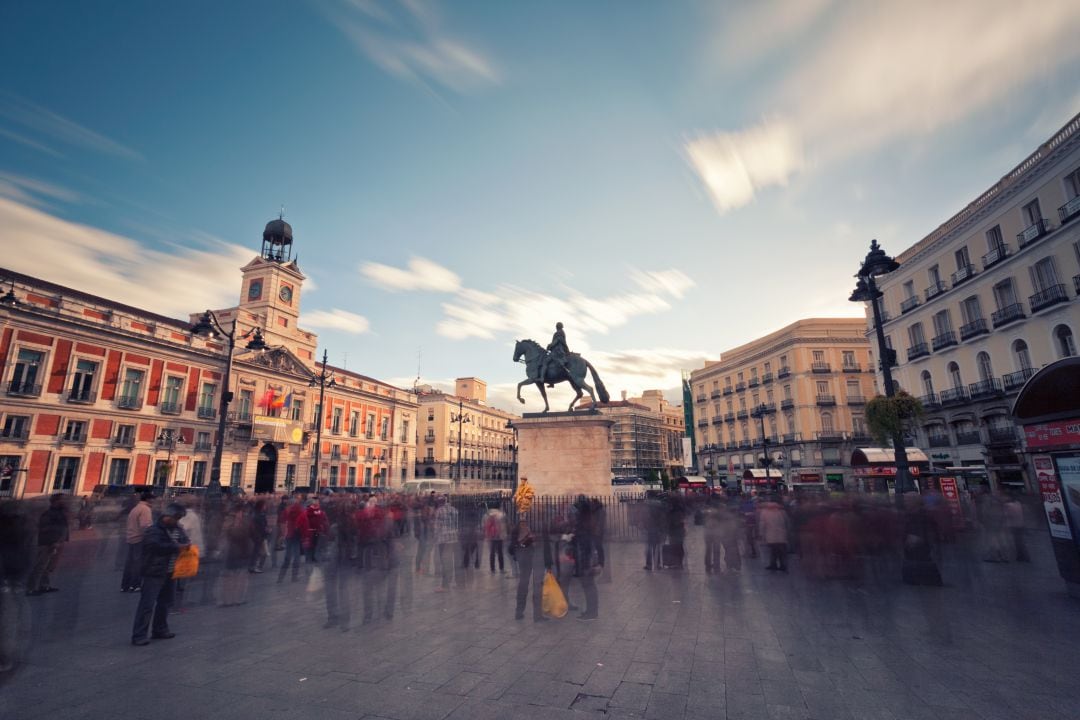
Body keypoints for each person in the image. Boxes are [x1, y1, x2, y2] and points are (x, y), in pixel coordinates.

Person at [131, 503, 190, 646]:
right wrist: (176, 547)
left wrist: (186, 544)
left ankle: (160, 629)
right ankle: (139, 634)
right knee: (147, 604)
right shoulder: (154, 530)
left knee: (165, 602)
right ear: (167, 516)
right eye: (176, 518)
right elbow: (154, 546)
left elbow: (184, 540)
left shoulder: (177, 529)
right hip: (154, 571)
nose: (178, 521)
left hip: (171, 571)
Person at [27, 494, 69, 596]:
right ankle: (31, 588)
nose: (65, 502)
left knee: (48, 566)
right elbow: (46, 529)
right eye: (62, 500)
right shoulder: (49, 514)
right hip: (48, 543)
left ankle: (44, 585)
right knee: (40, 566)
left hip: (56, 543)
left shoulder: (60, 513)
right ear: (56, 501)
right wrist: (53, 542)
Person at [508, 517, 547, 622]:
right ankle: (536, 615)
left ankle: (520, 612)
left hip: (525, 555)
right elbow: (523, 541)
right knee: (535, 584)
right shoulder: (526, 523)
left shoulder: (522, 522)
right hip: (528, 554)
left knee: (524, 583)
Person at [121, 490, 154, 592]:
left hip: (131, 538)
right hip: (139, 539)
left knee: (129, 563)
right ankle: (136, 585)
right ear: (148, 499)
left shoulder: (136, 508)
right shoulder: (145, 509)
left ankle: (125, 585)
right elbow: (146, 526)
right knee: (138, 563)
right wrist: (151, 538)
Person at [277, 496, 309, 582]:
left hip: (289, 536)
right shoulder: (301, 511)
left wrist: (282, 535)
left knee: (287, 557)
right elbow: (305, 524)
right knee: (297, 557)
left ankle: (280, 578)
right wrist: (305, 536)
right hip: (297, 535)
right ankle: (294, 577)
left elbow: (282, 524)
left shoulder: (285, 512)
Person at [433, 496, 458, 592]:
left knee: (444, 561)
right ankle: (450, 580)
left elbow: (437, 527)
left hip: (443, 539)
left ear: (439, 503)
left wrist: (435, 537)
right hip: (453, 538)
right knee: (450, 560)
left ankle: (445, 585)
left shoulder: (439, 511)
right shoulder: (454, 510)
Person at [758, 496, 789, 572]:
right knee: (781, 551)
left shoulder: (764, 511)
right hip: (782, 534)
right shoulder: (781, 511)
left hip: (770, 534)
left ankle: (773, 564)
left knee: (773, 550)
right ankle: (783, 565)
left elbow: (762, 523)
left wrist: (761, 533)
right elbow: (787, 522)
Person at [538, 322, 569, 387]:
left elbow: (556, 341)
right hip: (559, 350)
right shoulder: (562, 332)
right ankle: (551, 382)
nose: (556, 327)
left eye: (556, 326)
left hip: (557, 351)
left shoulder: (558, 333)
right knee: (551, 365)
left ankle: (542, 378)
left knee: (545, 362)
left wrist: (550, 345)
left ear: (557, 327)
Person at [1004, 493, 1030, 562]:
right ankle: (1025, 556)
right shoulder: (1019, 504)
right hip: (1021, 524)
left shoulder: (1008, 506)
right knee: (1021, 541)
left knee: (1017, 542)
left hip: (1013, 525)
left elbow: (1007, 515)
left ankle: (1021, 556)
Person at [484, 503, 507, 573]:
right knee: (500, 552)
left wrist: (487, 535)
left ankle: (492, 568)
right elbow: (504, 526)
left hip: (491, 536)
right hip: (499, 536)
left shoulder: (487, 515)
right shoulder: (501, 514)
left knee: (492, 553)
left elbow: (484, 525)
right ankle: (501, 568)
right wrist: (504, 535)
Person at [249, 499, 269, 573]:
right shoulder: (260, 515)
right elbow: (262, 526)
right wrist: (267, 531)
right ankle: (255, 567)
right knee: (260, 552)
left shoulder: (255, 513)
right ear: (261, 506)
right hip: (259, 536)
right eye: (264, 505)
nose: (266, 506)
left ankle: (252, 566)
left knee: (256, 551)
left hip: (255, 535)